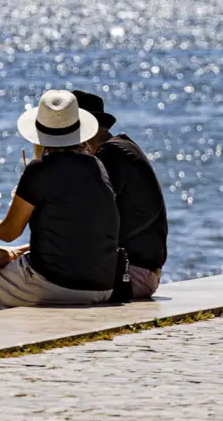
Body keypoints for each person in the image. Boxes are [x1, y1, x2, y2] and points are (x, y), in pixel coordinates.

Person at [0, 90, 119, 313]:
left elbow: (8, 232)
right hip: (101, 285)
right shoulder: (96, 166)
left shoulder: (40, 169)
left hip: (56, 283)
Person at [74, 89, 169, 299]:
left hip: (129, 274)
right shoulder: (123, 147)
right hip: (141, 271)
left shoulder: (109, 155)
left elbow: (88, 225)